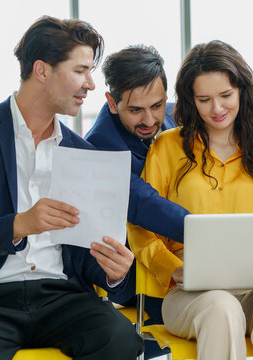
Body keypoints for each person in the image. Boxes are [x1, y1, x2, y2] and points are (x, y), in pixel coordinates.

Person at [0, 16, 186, 360]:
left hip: (62, 296)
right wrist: (21, 224)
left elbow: (87, 260)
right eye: (80, 70)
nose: (89, 83)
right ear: (42, 71)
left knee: (121, 342)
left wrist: (114, 273)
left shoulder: (81, 151)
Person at [127, 40, 253, 360]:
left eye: (225, 96)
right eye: (204, 99)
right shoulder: (166, 148)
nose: (217, 109)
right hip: (190, 293)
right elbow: (140, 226)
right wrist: (173, 269)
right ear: (190, 100)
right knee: (222, 308)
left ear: (241, 91)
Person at [85, 45, 176, 359]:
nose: (150, 119)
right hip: (130, 270)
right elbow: (145, 204)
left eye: (157, 105)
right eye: (135, 110)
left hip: (178, 248)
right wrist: (209, 230)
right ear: (112, 102)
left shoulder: (178, 116)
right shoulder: (99, 146)